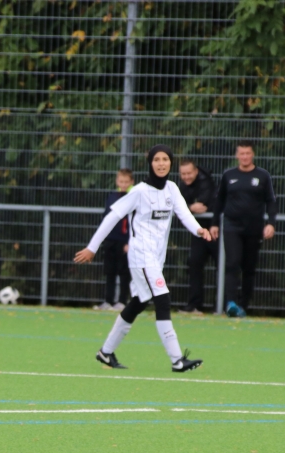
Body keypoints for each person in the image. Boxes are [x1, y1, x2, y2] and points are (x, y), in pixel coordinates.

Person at [74, 145, 212, 373]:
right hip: (141, 256)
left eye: (165, 159)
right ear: (150, 163)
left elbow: (185, 214)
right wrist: (92, 247)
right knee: (162, 298)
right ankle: (177, 360)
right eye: (156, 159)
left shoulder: (172, 189)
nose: (161, 163)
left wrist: (199, 230)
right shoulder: (139, 191)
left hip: (156, 258)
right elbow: (112, 217)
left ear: (171, 163)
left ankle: (106, 352)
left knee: (139, 301)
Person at [213, 140, 278, 318]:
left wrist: (271, 223)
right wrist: (214, 223)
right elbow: (219, 201)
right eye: (241, 153)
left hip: (254, 228)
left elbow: (271, 201)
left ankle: (243, 305)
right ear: (237, 155)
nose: (245, 157)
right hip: (232, 226)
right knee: (232, 263)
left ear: (253, 154)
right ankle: (231, 303)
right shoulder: (229, 175)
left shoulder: (263, 176)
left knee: (249, 267)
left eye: (248, 153)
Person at [178, 158, 218, 314]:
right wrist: (190, 207)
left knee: (222, 266)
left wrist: (189, 208)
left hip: (215, 229)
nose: (186, 177)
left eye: (189, 173)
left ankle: (221, 305)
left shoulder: (206, 182)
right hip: (199, 230)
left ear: (196, 171)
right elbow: (181, 206)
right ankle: (195, 305)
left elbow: (203, 206)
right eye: (183, 174)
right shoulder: (182, 185)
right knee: (194, 263)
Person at [94, 168, 134, 311]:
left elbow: (134, 222)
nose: (123, 184)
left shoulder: (133, 197)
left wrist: (129, 241)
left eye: (126, 182)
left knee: (124, 272)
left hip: (124, 241)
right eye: (121, 181)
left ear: (131, 182)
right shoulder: (112, 197)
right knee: (109, 271)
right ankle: (108, 301)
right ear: (117, 181)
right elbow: (106, 218)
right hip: (110, 239)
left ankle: (122, 301)